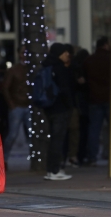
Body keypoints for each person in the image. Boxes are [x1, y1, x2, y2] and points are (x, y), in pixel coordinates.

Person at [83, 36, 111, 166]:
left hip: (95, 98)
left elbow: (84, 78)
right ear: (106, 45)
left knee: (94, 130)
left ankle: (92, 156)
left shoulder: (89, 60)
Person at [42, 43, 73, 180]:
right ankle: (55, 170)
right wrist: (69, 105)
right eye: (64, 52)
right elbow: (65, 89)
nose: (67, 55)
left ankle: (51, 169)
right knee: (58, 139)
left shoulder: (47, 66)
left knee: (54, 139)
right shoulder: (59, 68)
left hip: (49, 107)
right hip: (60, 108)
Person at [2, 45, 30, 170]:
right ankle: (4, 158)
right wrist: (11, 105)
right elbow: (5, 88)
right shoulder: (14, 70)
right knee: (12, 135)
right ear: (19, 54)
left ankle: (35, 159)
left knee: (31, 135)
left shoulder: (31, 69)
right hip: (17, 106)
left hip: (27, 106)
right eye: (23, 52)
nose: (25, 55)